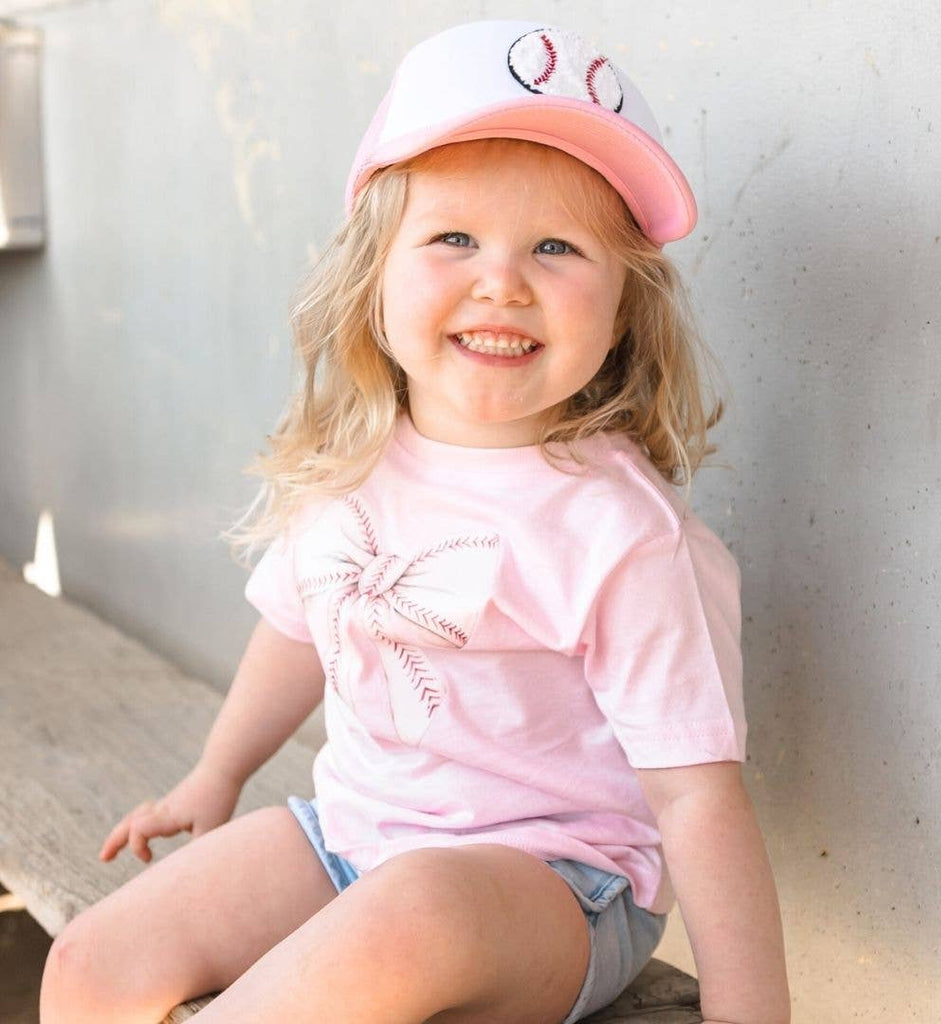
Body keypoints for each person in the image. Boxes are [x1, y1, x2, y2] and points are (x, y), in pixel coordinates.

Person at [40, 19, 789, 1024]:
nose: (501, 280)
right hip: (354, 838)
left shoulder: (620, 534)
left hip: (558, 887)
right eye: (453, 238)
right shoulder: (357, 458)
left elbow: (697, 798)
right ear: (373, 276)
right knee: (92, 961)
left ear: (623, 305)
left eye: (557, 247)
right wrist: (215, 775)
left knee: (414, 910)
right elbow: (299, 625)